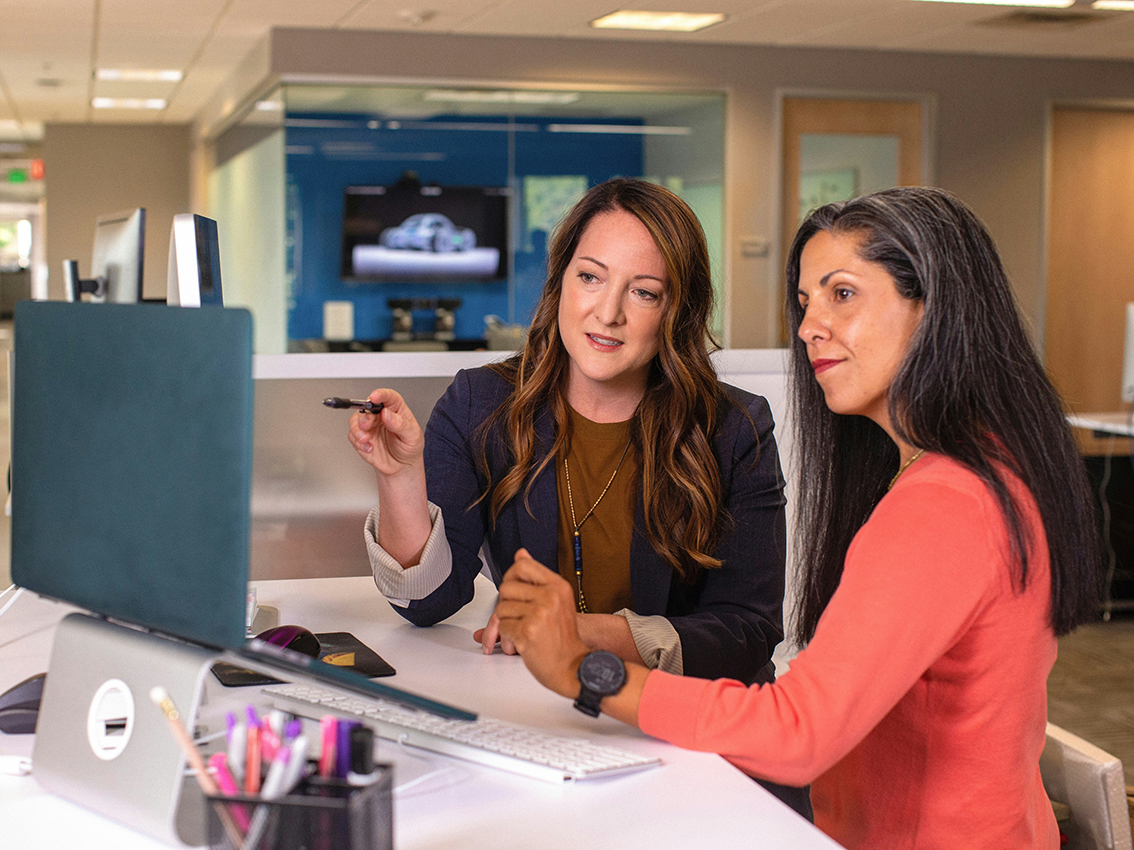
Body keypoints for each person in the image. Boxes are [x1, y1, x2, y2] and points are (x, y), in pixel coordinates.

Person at [493, 186, 1103, 849]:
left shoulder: (946, 503)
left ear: (934, 309)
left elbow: (798, 734)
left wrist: (584, 671)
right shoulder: (989, 467)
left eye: (843, 294)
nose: (810, 325)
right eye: (807, 302)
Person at [347, 178, 811, 815]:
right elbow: (429, 602)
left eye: (643, 292)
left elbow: (748, 631)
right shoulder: (481, 404)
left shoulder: (734, 427)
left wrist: (585, 638)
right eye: (591, 277)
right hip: (549, 732)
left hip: (695, 743)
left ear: (678, 309)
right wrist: (400, 476)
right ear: (561, 281)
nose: (608, 312)